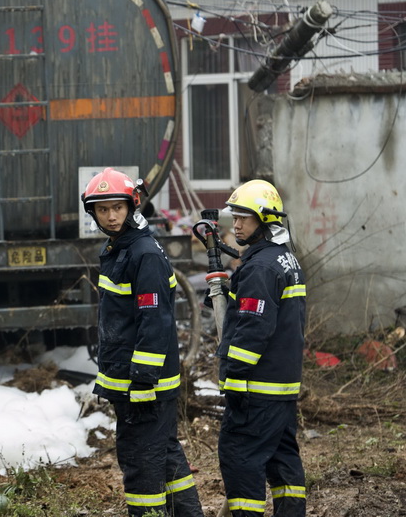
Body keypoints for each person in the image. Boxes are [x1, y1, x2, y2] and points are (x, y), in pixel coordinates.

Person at [82, 168, 203, 517]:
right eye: (102, 209)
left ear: (130, 205)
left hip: (144, 385)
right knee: (164, 454)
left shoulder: (142, 253)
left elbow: (154, 321)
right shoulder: (121, 248)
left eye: (116, 207)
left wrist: (143, 382)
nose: (110, 215)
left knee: (141, 463)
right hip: (134, 380)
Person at [218, 179, 306, 516]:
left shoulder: (260, 267)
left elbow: (254, 329)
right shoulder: (285, 260)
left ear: (266, 220)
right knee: (284, 462)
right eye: (235, 216)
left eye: (244, 218)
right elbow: (267, 315)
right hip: (282, 386)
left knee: (240, 457)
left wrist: (234, 376)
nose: (236, 224)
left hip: (258, 388)